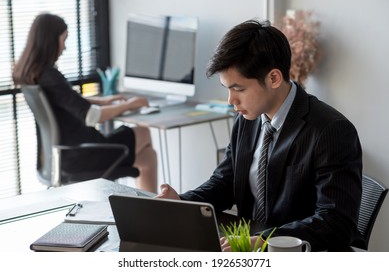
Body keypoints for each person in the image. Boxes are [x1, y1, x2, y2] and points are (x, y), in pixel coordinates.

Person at [156, 19, 363, 251]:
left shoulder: (331, 130)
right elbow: (225, 183)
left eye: (239, 89)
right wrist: (182, 204)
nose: (231, 101)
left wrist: (266, 241)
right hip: (247, 248)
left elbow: (337, 222)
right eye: (228, 89)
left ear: (273, 78)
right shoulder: (247, 119)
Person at [13, 13, 158, 193]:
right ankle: (153, 211)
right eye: (63, 40)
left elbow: (67, 100)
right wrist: (130, 104)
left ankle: (148, 209)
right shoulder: (50, 75)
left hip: (62, 156)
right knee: (143, 132)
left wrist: (105, 101)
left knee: (147, 158)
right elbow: (91, 116)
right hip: (82, 156)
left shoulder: (33, 75)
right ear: (50, 41)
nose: (64, 47)